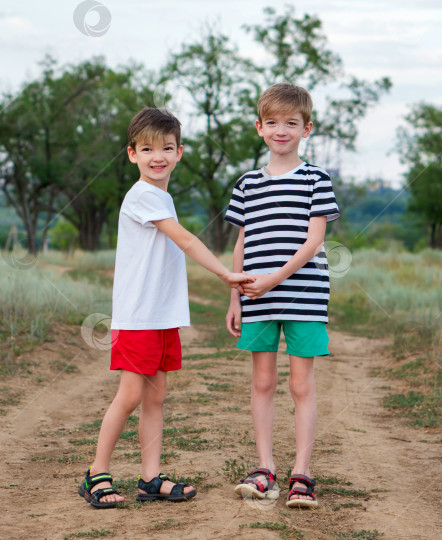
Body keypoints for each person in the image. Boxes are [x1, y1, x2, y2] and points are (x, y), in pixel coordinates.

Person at [78, 107, 254, 509]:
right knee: (129, 396)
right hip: (139, 317)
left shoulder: (161, 195)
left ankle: (149, 477)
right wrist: (226, 275)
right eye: (147, 148)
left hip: (160, 318)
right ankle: (96, 473)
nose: (157, 156)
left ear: (179, 152)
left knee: (156, 398)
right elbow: (187, 241)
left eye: (166, 148)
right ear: (131, 154)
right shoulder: (142, 195)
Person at [224, 83, 341, 509]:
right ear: (259, 128)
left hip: (304, 295)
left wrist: (274, 278)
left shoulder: (316, 179)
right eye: (272, 122)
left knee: (300, 384)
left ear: (306, 128)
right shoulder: (247, 184)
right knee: (262, 382)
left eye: (291, 123)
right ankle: (264, 469)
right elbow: (242, 242)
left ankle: (302, 474)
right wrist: (235, 296)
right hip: (257, 298)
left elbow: (313, 242)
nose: (281, 130)